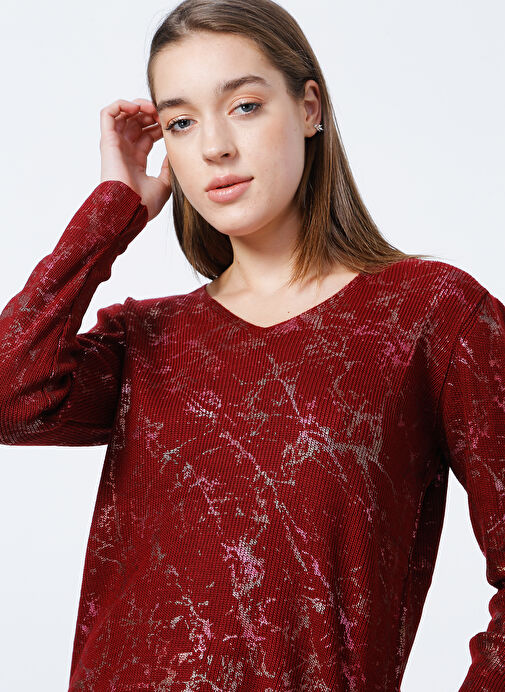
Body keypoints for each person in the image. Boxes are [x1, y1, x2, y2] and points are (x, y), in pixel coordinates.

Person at [0, 0, 504, 689]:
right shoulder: (144, 340)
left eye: (243, 106)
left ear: (308, 108)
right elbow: (12, 394)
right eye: (180, 122)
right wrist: (112, 211)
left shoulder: (431, 316)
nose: (214, 146)